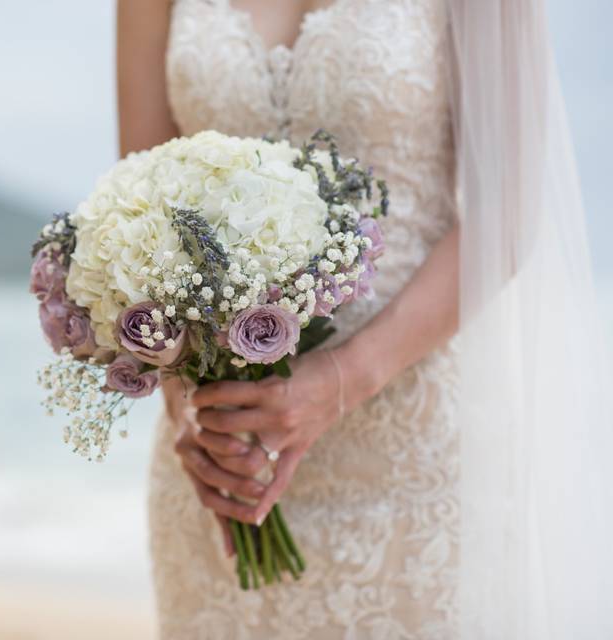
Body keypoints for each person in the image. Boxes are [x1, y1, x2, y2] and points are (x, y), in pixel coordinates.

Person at [116, 1, 613, 637]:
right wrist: (186, 403)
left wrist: (341, 381)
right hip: (224, 472)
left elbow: (508, 209)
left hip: (414, 469)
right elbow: (143, 207)